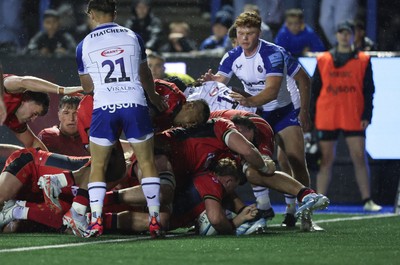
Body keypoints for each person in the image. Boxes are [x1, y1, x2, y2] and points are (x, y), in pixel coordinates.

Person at [199, 11, 316, 230]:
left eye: (250, 33)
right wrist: (212, 82)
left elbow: (274, 91)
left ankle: (303, 214)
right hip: (255, 115)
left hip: (282, 112)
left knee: (294, 159)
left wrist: (304, 112)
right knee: (252, 161)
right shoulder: (232, 56)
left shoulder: (273, 53)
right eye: (241, 33)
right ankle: (264, 206)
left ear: (259, 33)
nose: (244, 38)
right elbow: (220, 85)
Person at [76, 0, 167, 238]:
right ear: (115, 13)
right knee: (147, 162)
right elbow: (145, 72)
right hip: (135, 104)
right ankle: (154, 220)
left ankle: (95, 221)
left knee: (98, 165)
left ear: (91, 14)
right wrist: (154, 96)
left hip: (105, 107)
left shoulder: (83, 45)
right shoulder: (133, 37)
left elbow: (87, 88)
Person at [310, 20, 382, 212]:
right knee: (325, 159)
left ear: (353, 35)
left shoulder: (363, 60)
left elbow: (369, 91)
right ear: (336, 35)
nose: (344, 36)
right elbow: (314, 91)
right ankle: (319, 201)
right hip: (327, 114)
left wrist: (368, 114)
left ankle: (368, 199)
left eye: (347, 32)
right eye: (341, 32)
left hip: (353, 113)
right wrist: (311, 117)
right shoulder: (323, 59)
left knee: (359, 156)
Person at [0, 147, 89, 232]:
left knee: (70, 226)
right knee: (2, 197)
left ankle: (17, 210)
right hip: (34, 168)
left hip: (52, 195)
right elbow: (96, 167)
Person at [0, 73, 83, 150]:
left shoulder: (14, 120)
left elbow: (33, 144)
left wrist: (53, 165)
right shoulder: (6, 88)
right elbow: (23, 82)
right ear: (26, 100)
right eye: (34, 114)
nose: (32, 119)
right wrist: (62, 90)